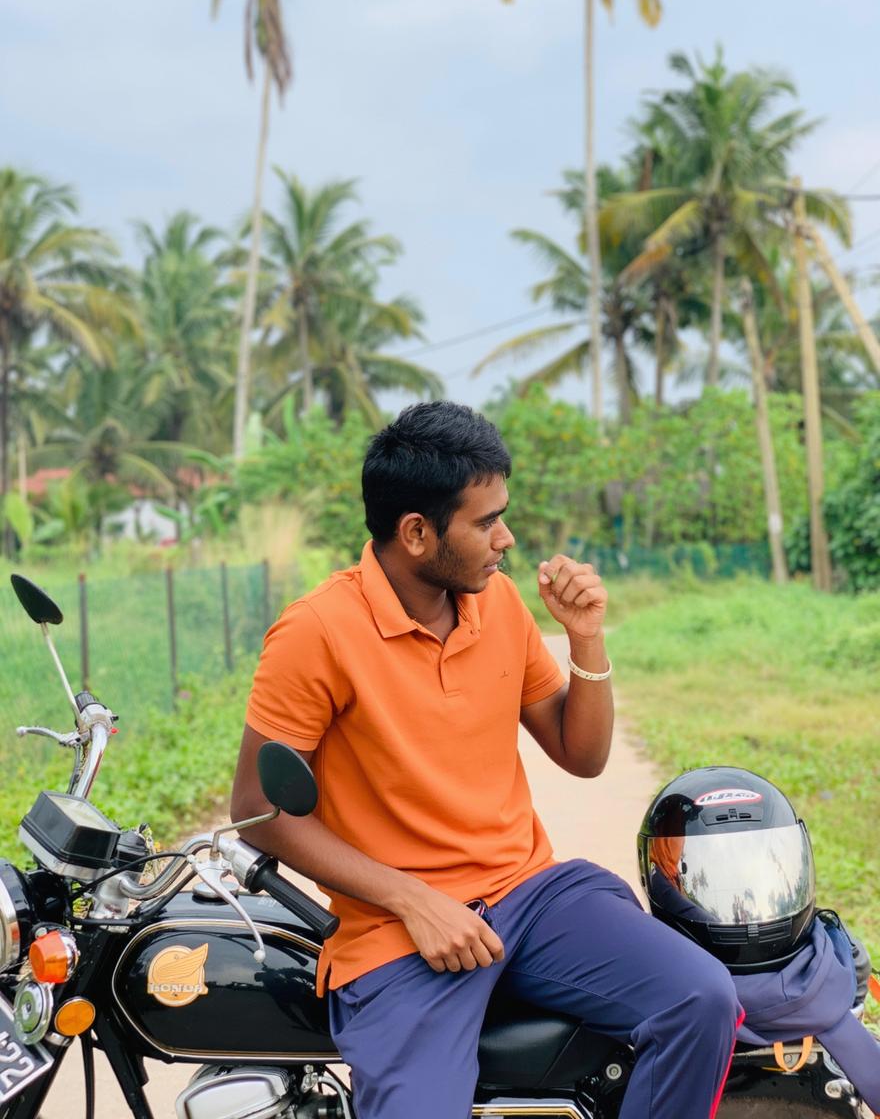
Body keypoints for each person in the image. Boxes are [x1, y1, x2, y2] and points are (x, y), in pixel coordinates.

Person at [231, 400, 742, 1119]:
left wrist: (586, 640)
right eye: (484, 521)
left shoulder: (496, 602)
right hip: (398, 933)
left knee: (703, 998)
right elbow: (257, 808)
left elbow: (581, 754)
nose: (505, 538)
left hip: (531, 896)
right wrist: (414, 900)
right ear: (416, 533)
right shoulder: (315, 632)